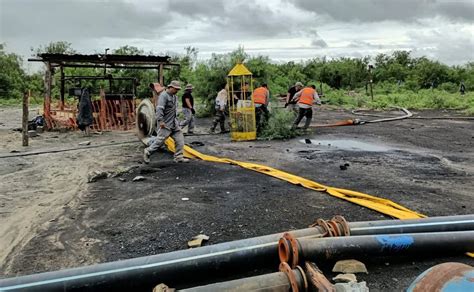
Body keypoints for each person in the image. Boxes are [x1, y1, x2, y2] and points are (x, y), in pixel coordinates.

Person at [144, 80, 189, 163]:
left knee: (180, 140)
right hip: (165, 124)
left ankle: (178, 157)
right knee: (159, 142)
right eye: (176, 89)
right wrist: (160, 121)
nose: (177, 91)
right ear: (170, 87)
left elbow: (174, 110)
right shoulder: (163, 96)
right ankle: (148, 151)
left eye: (178, 89)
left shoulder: (175, 97)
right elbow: (159, 109)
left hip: (174, 123)